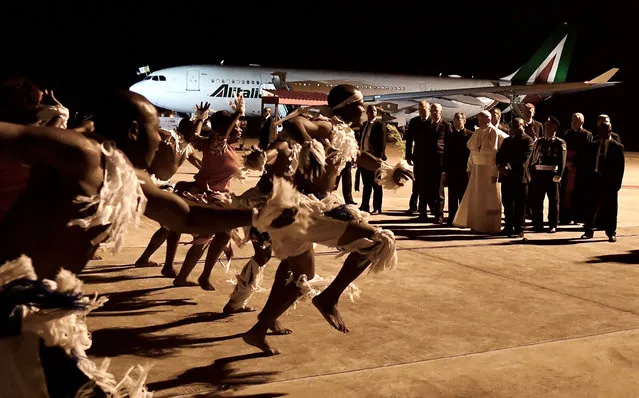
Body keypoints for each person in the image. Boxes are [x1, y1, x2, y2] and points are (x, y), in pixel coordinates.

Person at [0, 89, 256, 397]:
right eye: (155, 130)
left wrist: (255, 215)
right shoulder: (81, 153)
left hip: (44, 307)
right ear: (134, 131)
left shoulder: (127, 177)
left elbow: (186, 217)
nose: (162, 139)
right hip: (11, 302)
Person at [241, 84, 410, 355]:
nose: (364, 108)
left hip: (303, 207)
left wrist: (389, 169)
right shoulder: (327, 126)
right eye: (359, 103)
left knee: (299, 276)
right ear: (345, 107)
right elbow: (295, 123)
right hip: (304, 208)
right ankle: (329, 298)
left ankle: (258, 330)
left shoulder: (346, 134)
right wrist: (309, 144)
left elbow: (358, 158)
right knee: (378, 241)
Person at [135, 107, 206, 270]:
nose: (198, 135)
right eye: (195, 130)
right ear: (187, 131)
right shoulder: (168, 137)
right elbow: (149, 130)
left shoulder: (187, 147)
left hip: (163, 186)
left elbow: (201, 165)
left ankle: (146, 259)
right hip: (147, 183)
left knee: (169, 224)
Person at [453, 110, 501, 234]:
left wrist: (494, 173)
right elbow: (472, 151)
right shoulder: (478, 131)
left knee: (488, 199)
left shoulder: (493, 132)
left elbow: (494, 154)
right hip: (477, 170)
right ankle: (476, 223)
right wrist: (469, 168)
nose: (479, 121)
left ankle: (488, 225)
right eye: (478, 119)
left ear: (488, 119)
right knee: (476, 198)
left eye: (481, 119)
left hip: (488, 170)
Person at [581, 114, 625, 242]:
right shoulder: (593, 145)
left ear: (610, 131)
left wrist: (617, 184)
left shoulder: (617, 147)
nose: (601, 133)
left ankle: (611, 233)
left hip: (609, 182)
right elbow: (588, 163)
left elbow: (620, 168)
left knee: (611, 209)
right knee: (590, 207)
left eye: (604, 131)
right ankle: (588, 231)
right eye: (600, 130)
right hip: (594, 180)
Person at [496, 118, 534, 237]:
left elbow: (524, 158)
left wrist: (509, 165)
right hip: (507, 177)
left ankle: (519, 229)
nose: (515, 129)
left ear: (522, 126)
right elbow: (500, 155)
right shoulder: (508, 140)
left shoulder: (528, 140)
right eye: (513, 126)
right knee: (507, 203)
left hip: (520, 177)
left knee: (519, 204)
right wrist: (500, 166)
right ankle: (508, 227)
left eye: (518, 126)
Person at [529, 116, 566, 233]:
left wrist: (559, 174)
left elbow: (562, 161)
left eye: (549, 128)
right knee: (537, 200)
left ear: (555, 129)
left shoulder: (560, 143)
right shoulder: (539, 141)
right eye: (545, 128)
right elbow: (533, 158)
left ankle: (553, 224)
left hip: (552, 173)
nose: (546, 130)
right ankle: (537, 223)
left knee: (554, 201)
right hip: (539, 173)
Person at [558, 112, 593, 224]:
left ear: (582, 122)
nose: (573, 123)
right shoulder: (567, 134)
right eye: (572, 120)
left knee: (578, 193)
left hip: (579, 170)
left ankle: (577, 217)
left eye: (576, 120)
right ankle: (565, 217)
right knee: (565, 193)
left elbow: (587, 154)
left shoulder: (587, 135)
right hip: (567, 169)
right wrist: (566, 163)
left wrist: (574, 163)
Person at [443, 112, 472, 225]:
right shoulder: (449, 136)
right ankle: (452, 217)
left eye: (459, 119)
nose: (457, 121)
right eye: (455, 119)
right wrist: (445, 170)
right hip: (452, 169)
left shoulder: (470, 135)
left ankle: (464, 218)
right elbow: (446, 154)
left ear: (464, 121)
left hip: (465, 169)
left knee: (464, 195)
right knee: (452, 195)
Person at [358, 105, 387, 214]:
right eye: (370, 111)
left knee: (377, 184)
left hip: (374, 158)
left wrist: (379, 158)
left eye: (374, 111)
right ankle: (365, 206)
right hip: (364, 157)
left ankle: (377, 207)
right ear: (367, 113)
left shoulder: (380, 125)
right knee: (366, 184)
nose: (372, 113)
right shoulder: (364, 125)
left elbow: (383, 142)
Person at [404, 100, 430, 214]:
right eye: (420, 109)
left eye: (424, 108)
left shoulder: (432, 121)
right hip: (418, 156)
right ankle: (413, 206)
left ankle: (430, 205)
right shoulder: (414, 122)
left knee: (429, 182)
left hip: (430, 157)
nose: (422, 111)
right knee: (416, 181)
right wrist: (408, 155)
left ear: (428, 109)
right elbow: (409, 140)